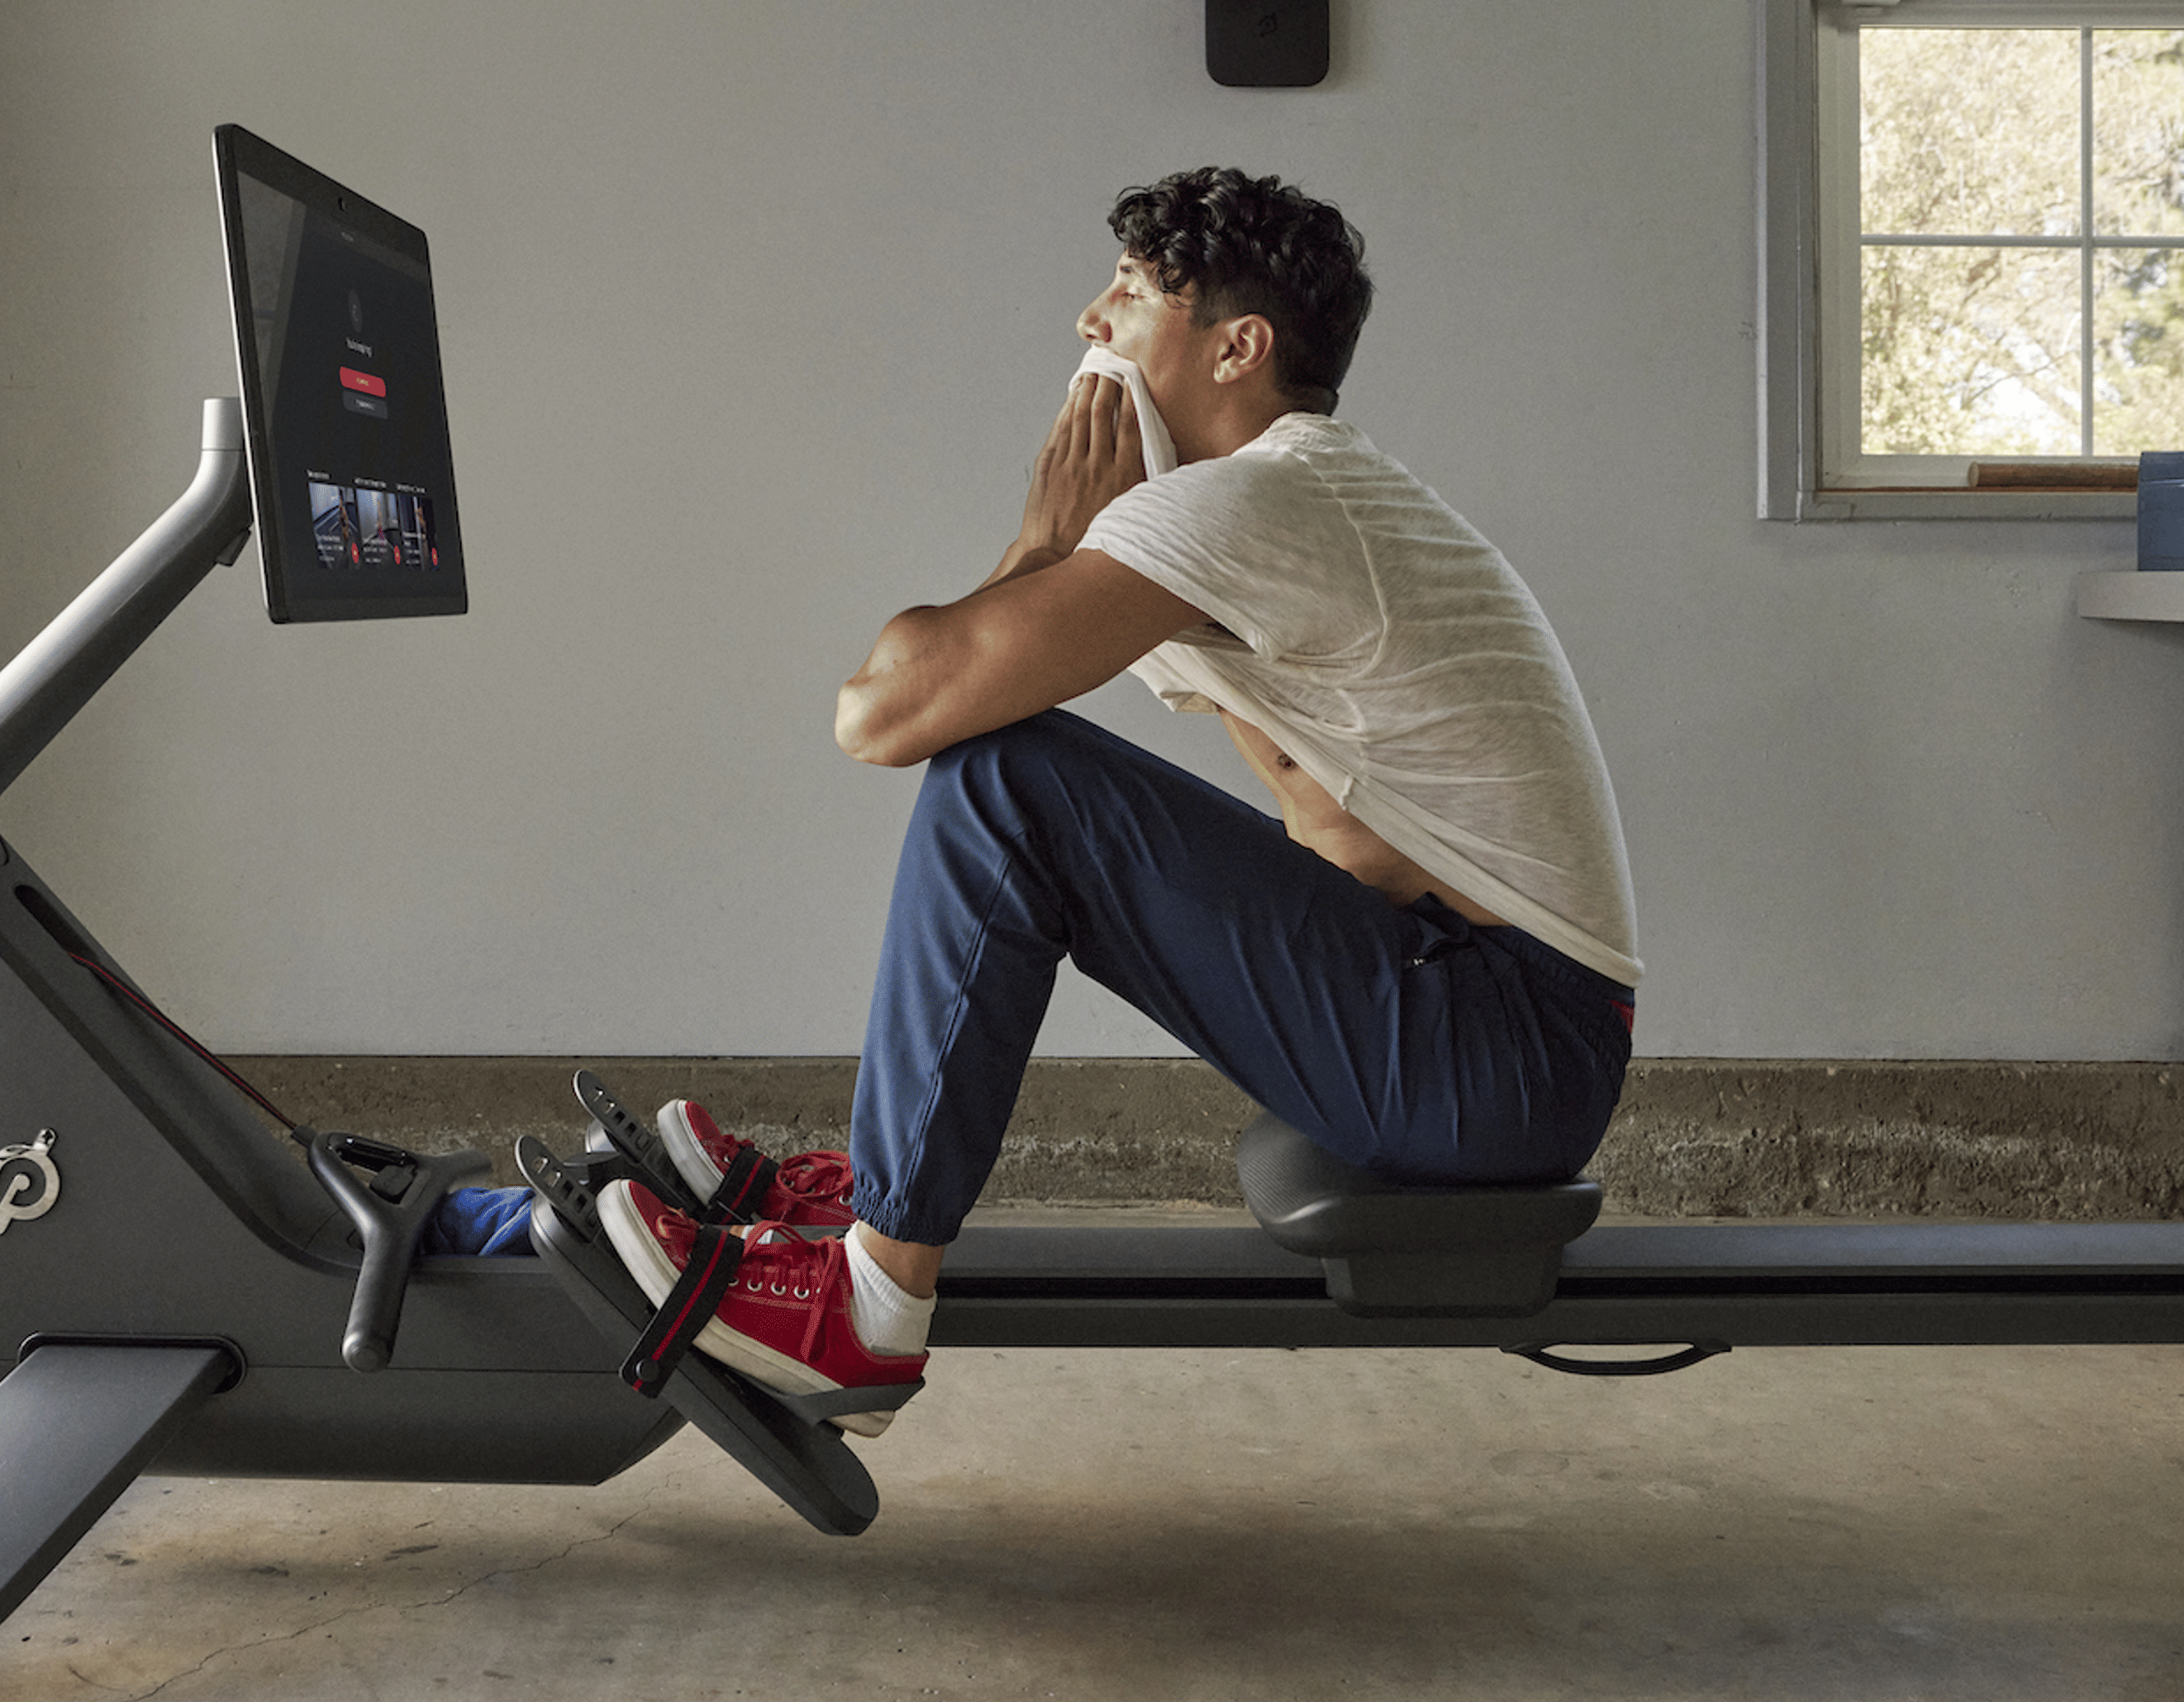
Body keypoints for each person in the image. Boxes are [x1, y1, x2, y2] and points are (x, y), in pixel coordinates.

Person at [595, 167, 1641, 1434]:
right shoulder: (1253, 507)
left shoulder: (1257, 504)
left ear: (1238, 348)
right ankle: (877, 1191)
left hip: (1503, 1049)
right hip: (1472, 1018)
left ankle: (867, 1308)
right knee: (1009, 763)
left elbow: (881, 713)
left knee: (1005, 781)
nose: (1090, 320)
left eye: (1135, 294)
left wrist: (1043, 547)